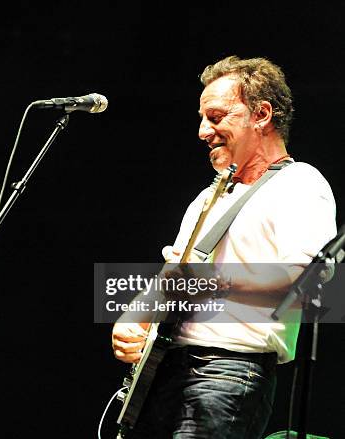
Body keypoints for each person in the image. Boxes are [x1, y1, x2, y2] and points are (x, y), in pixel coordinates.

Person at [112, 56, 336, 438]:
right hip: (165, 371)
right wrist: (134, 318)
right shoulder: (206, 198)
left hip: (229, 373)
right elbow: (176, 275)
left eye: (216, 117)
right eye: (202, 118)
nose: (203, 131)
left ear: (261, 114)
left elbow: (307, 284)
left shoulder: (301, 184)